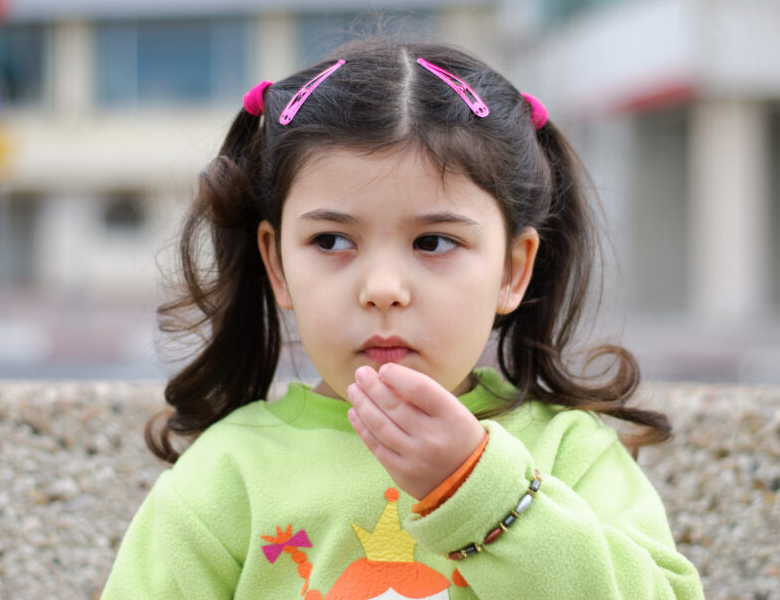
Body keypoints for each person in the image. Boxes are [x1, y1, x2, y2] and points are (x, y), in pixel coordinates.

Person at [102, 38, 704, 599]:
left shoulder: (569, 452)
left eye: (435, 243)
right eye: (332, 241)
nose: (383, 290)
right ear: (277, 264)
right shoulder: (226, 474)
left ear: (512, 271)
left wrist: (483, 492)